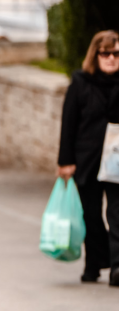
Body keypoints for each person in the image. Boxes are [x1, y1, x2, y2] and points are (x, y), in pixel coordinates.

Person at [57, 29, 119, 286]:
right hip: (87, 159)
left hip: (116, 160)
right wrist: (65, 161)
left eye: (116, 54)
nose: (111, 59)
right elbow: (69, 124)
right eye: (105, 53)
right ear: (95, 55)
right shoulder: (80, 83)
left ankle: (117, 266)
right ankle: (93, 263)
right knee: (91, 215)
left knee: (117, 214)